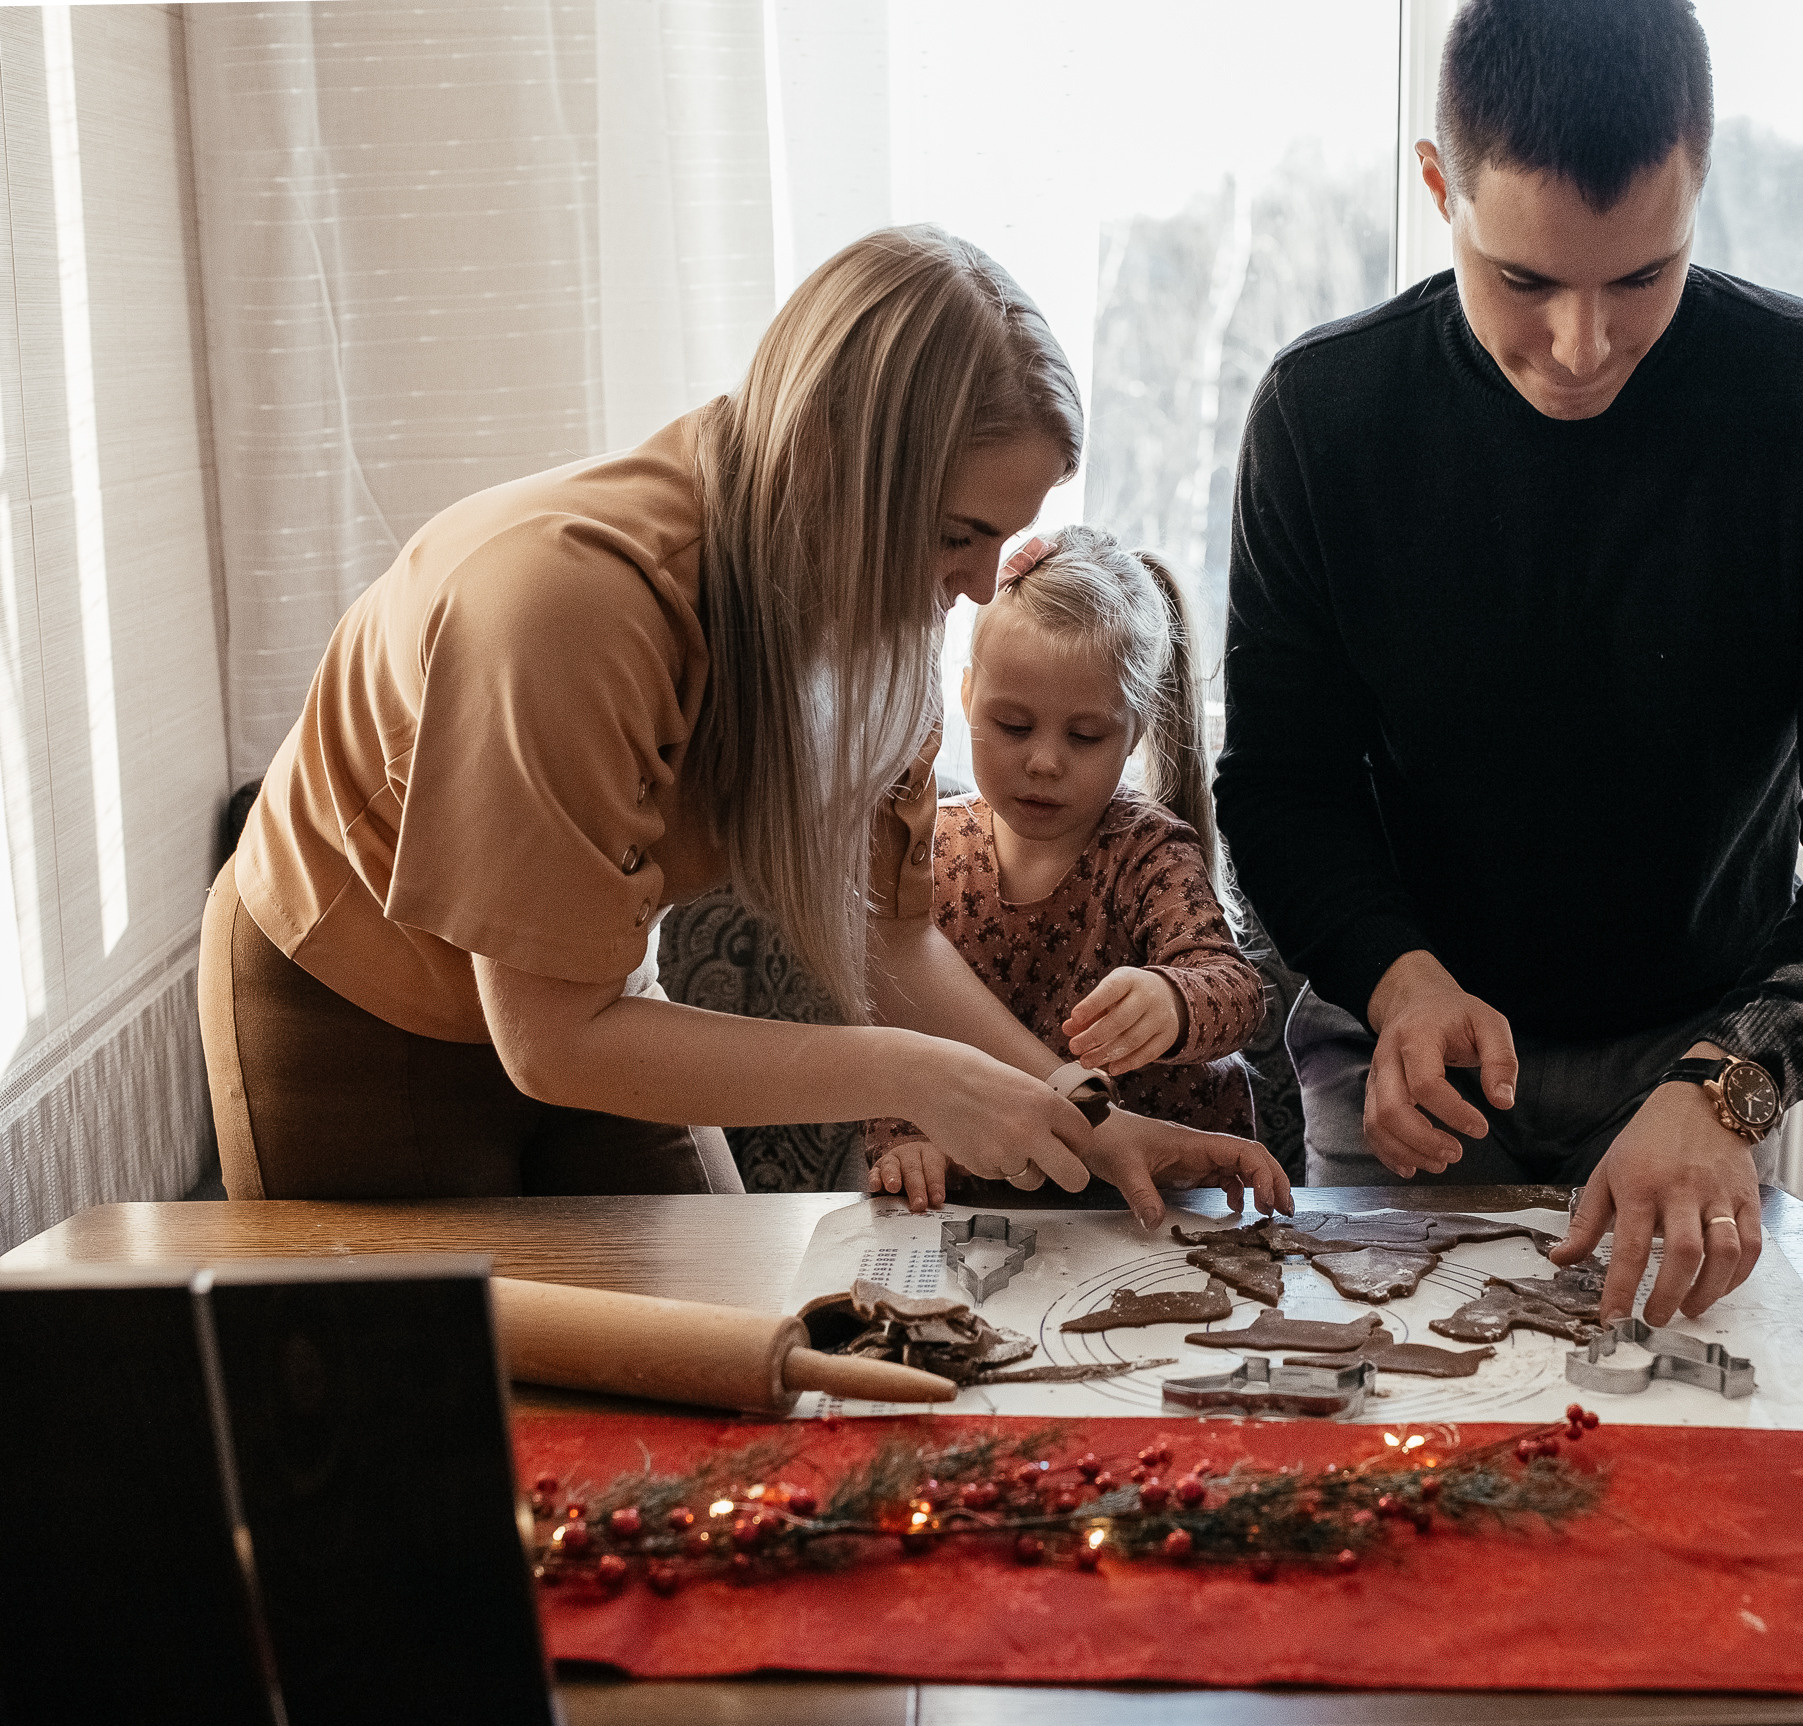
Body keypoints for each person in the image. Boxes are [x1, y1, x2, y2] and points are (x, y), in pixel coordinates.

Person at [201, 225, 1287, 1227]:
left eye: (1002, 538)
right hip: (355, 996)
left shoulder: (875, 623)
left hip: (584, 1000)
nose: (975, 585)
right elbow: (550, 1043)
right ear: (833, 459)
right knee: (430, 1375)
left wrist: (1085, 1116)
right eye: (957, 533)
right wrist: (915, 1077)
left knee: (728, 1333)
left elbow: (889, 937)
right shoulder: (568, 606)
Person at [1215, 0, 1803, 1326]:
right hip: (1405, 1040)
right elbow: (1283, 787)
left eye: (1641, 278)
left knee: (1665, 1418)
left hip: (1697, 1041)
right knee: (1392, 1404)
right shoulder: (1322, 415)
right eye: (1524, 281)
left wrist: (1727, 1085)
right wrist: (1397, 978)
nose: (1581, 345)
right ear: (1439, 187)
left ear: (1700, 186)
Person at [864, 527, 1266, 1213]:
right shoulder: (929, 844)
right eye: (1013, 725)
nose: (1045, 762)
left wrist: (1172, 1001)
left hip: (1150, 1203)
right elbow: (895, 1018)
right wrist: (904, 1135)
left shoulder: (1147, 850)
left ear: (1135, 730)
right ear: (966, 697)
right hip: (985, 1202)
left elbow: (1238, 992)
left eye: (1085, 735)